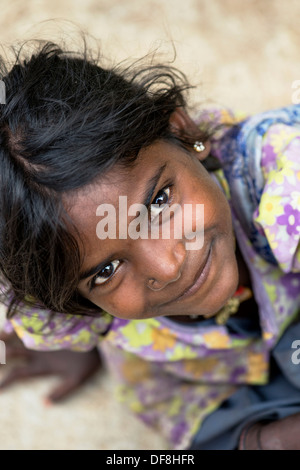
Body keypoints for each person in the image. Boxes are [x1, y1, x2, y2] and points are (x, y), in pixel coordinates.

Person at [0, 38, 300, 450]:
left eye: (158, 203)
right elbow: (172, 404)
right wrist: (266, 441)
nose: (166, 267)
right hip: (214, 371)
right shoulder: (129, 345)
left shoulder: (279, 181)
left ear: (183, 131)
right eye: (105, 272)